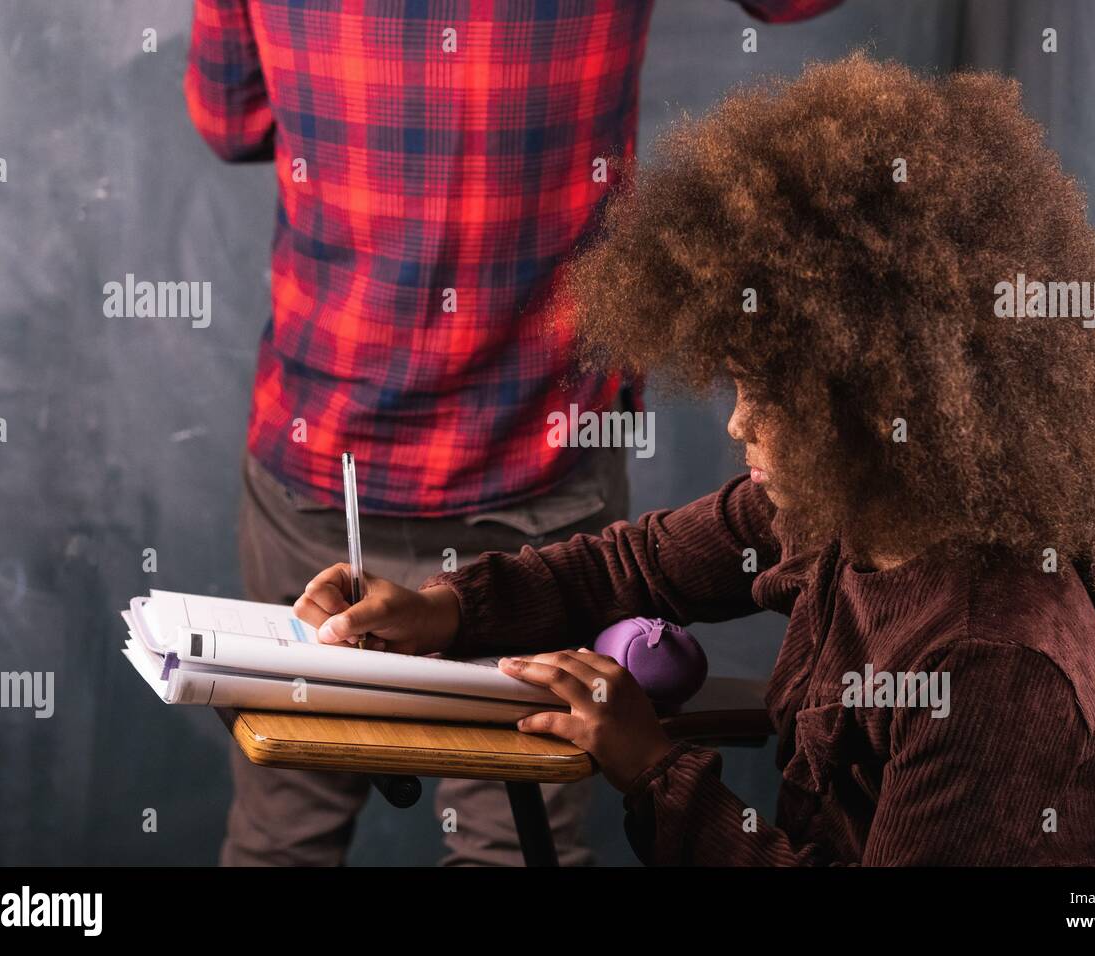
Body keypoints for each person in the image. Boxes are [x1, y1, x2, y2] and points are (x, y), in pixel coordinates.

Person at [292, 55, 1095, 864]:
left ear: (888, 402)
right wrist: (442, 610)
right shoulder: (846, 509)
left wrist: (655, 771)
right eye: (736, 383)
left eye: (773, 396)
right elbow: (633, 565)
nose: (739, 427)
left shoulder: (994, 665)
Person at [182, 0, 843, 866]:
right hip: (543, 444)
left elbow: (231, 119)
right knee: (513, 834)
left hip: (326, 438)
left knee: (284, 825)